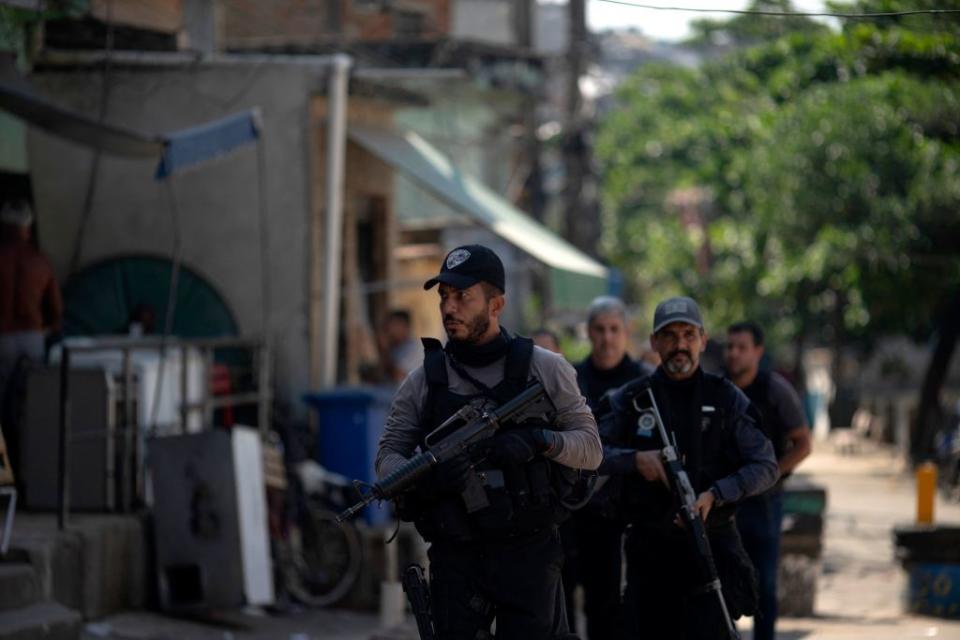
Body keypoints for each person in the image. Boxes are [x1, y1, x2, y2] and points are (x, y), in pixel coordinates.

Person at [376, 244, 602, 640]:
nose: (449, 307)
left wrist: (539, 441)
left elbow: (590, 448)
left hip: (528, 552)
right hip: (457, 556)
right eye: (444, 296)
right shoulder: (424, 381)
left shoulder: (545, 367)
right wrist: (426, 477)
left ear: (496, 304)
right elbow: (386, 458)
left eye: (463, 296)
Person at [599, 296, 778, 639]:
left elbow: (765, 465)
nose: (679, 345)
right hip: (649, 554)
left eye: (688, 335)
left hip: (709, 550)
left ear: (703, 340)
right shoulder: (630, 399)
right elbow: (590, 453)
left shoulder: (726, 398)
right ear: (654, 342)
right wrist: (635, 460)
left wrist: (717, 493)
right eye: (669, 335)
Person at [561, 296, 653, 638]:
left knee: (610, 608)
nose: (607, 338)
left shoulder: (646, 381)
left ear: (626, 332)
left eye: (614, 329)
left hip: (627, 513)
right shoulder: (571, 379)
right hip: (574, 510)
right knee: (563, 602)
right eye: (599, 329)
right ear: (588, 332)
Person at [725, 321, 812, 640]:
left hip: (764, 502)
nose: (734, 353)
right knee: (720, 581)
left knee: (765, 584)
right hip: (723, 501)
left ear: (758, 351)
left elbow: (803, 443)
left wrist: (771, 475)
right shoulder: (718, 389)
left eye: (741, 347)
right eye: (730, 346)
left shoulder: (775, 390)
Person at [0, 200, 63, 477]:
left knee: (2, 408)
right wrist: (44, 329)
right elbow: (57, 313)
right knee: (30, 406)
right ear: (27, 228)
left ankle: (5, 474)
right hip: (32, 337)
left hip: (2, 337)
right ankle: (32, 474)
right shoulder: (40, 261)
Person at [378, 309, 423, 384]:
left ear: (405, 326)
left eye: (395, 325)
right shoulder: (395, 348)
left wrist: (384, 349)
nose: (391, 330)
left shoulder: (415, 349)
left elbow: (399, 377)